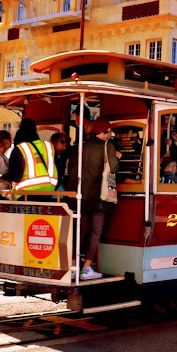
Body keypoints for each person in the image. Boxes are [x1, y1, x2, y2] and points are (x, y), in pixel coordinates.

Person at [66, 117, 121, 280]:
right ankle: (86, 268)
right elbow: (114, 167)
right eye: (109, 131)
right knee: (95, 231)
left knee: (81, 230)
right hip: (99, 196)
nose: (110, 134)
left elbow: (71, 168)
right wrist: (118, 156)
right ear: (103, 132)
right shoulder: (108, 146)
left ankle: (75, 265)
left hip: (81, 195)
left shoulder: (80, 146)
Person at [0, 118, 58, 196]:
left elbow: (15, 176)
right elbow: (58, 168)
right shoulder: (48, 146)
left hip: (26, 194)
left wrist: (1, 178)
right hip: (48, 192)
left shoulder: (20, 148)